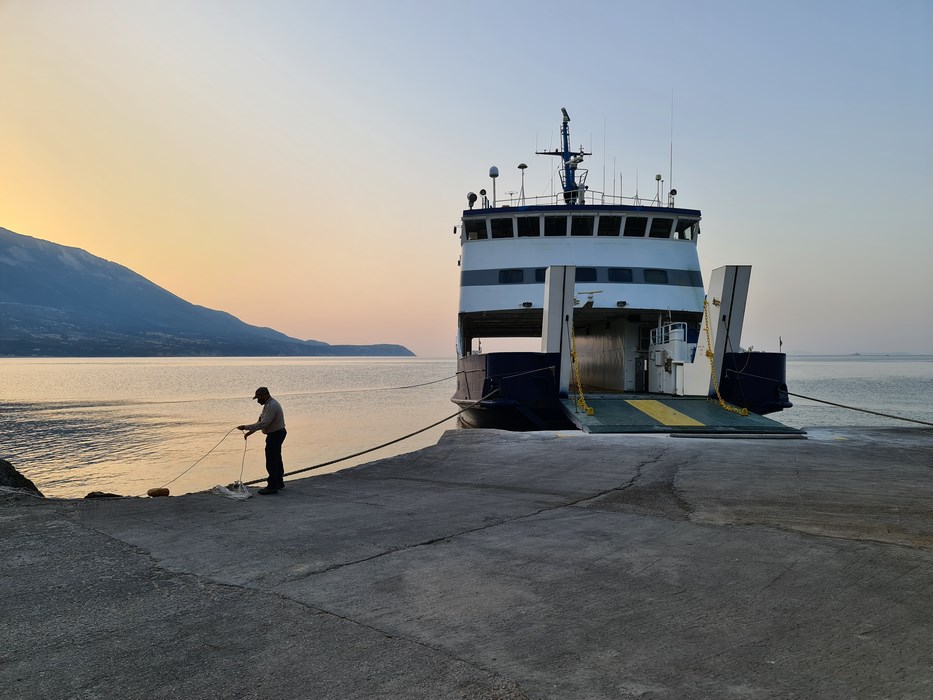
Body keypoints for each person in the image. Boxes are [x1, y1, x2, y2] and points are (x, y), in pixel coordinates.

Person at [237, 387, 287, 495]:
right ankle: (278, 482)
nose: (258, 401)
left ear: (264, 395)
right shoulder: (267, 406)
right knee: (276, 458)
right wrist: (249, 432)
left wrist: (246, 427)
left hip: (276, 434)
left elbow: (264, 424)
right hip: (276, 433)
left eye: (258, 398)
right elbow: (260, 422)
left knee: (271, 460)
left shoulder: (271, 406)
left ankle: (272, 486)